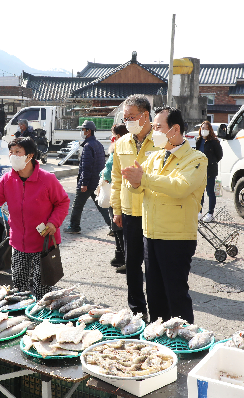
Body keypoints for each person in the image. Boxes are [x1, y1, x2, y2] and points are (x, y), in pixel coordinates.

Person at [122, 107, 207, 323]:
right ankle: (159, 338)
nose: (154, 131)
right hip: (150, 233)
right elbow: (140, 189)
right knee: (155, 295)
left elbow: (180, 187)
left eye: (158, 126)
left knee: (176, 295)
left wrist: (143, 179)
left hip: (176, 237)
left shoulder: (196, 159)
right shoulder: (155, 156)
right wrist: (133, 182)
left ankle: (186, 340)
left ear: (175, 129)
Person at [0, 137, 69, 299]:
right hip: (18, 243)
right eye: (11, 152)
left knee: (42, 291)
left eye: (18, 152)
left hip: (44, 243)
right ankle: (23, 319)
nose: (13, 156)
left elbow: (62, 202)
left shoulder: (47, 179)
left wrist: (53, 222)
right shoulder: (7, 179)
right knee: (19, 289)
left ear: (30, 156)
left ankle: (42, 319)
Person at [110, 94, 156, 318]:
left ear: (145, 115)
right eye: (125, 117)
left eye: (131, 117)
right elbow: (116, 179)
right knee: (132, 263)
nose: (127, 121)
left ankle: (158, 310)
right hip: (130, 212)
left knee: (154, 265)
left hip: (155, 211)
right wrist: (116, 209)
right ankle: (137, 309)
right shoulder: (121, 143)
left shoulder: (160, 141)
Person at [64, 120, 111, 234]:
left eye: (83, 130)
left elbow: (86, 166)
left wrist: (84, 183)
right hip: (96, 181)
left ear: (88, 131)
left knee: (77, 206)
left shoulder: (88, 146)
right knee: (102, 206)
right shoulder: (98, 145)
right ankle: (113, 227)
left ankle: (74, 227)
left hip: (88, 182)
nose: (81, 132)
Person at [101, 124, 129, 267]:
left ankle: (123, 257)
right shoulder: (127, 146)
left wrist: (103, 177)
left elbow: (109, 170)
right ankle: (120, 256)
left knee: (118, 228)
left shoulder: (119, 147)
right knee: (119, 229)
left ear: (118, 135)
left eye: (113, 134)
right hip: (123, 191)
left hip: (117, 192)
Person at [195, 121, 223, 222]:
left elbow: (219, 155)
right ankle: (199, 212)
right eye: (202, 128)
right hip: (200, 170)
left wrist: (211, 162)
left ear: (210, 130)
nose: (204, 130)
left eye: (206, 128)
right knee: (200, 192)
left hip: (210, 170)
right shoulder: (198, 140)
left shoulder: (214, 142)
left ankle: (210, 213)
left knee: (210, 192)